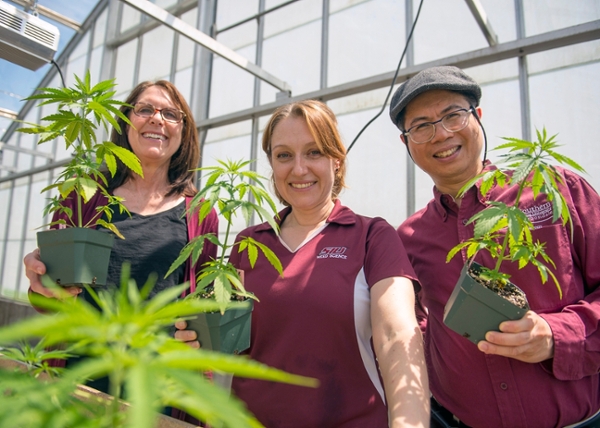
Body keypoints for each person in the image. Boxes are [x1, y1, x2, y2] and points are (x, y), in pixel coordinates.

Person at [389, 65, 600, 428]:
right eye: (421, 126)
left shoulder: (552, 189)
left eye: (452, 116)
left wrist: (556, 335)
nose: (440, 134)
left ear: (477, 117)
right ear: (407, 142)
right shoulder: (408, 238)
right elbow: (416, 327)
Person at [227, 99, 430, 427]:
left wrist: (409, 423)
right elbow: (227, 348)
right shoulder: (249, 244)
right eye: (283, 155)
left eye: (314, 152)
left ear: (337, 160)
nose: (299, 169)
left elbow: (397, 335)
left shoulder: (371, 236)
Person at [23, 80, 218, 386]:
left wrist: (206, 336)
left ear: (184, 131)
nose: (156, 118)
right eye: (144, 109)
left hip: (159, 384)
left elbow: (202, 302)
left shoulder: (200, 213)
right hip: (78, 372)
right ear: (125, 122)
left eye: (170, 114)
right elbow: (48, 296)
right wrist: (42, 282)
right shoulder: (84, 193)